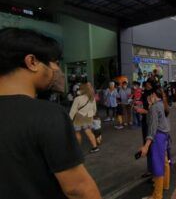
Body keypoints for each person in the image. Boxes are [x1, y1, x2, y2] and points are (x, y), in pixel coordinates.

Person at [0, 28, 101, 199]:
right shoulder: (48, 115)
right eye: (54, 62)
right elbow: (78, 189)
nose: (57, 70)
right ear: (32, 62)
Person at [139, 88, 171, 199]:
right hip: (165, 136)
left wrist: (146, 146)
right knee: (165, 162)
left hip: (158, 137)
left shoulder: (154, 107)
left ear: (153, 95)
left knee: (158, 165)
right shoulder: (163, 104)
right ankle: (165, 185)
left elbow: (152, 128)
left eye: (150, 95)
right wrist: (149, 106)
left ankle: (157, 195)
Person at [69, 82, 99, 153]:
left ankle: (78, 150)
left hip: (79, 117)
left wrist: (70, 119)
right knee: (89, 132)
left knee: (77, 133)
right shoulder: (92, 98)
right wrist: (92, 114)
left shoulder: (78, 98)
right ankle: (95, 147)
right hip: (88, 116)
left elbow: (73, 110)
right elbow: (94, 109)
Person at [135, 80, 154, 178]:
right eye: (145, 86)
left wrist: (144, 111)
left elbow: (156, 113)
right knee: (148, 147)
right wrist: (138, 104)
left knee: (151, 146)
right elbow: (141, 103)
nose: (147, 88)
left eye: (149, 86)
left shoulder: (155, 96)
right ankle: (151, 169)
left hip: (152, 124)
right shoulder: (144, 94)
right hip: (145, 122)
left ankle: (154, 171)